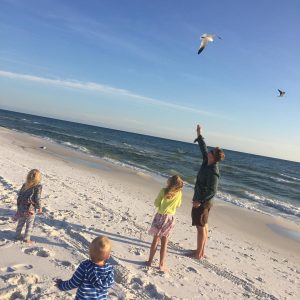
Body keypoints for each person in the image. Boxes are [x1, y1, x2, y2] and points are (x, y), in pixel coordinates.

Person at [190, 124, 225, 259]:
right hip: (201, 199)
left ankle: (198, 253)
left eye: (211, 151)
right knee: (203, 225)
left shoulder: (213, 171)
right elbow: (203, 148)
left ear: (213, 156)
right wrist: (199, 134)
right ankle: (200, 250)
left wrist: (200, 201)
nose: (208, 151)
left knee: (200, 226)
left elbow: (212, 190)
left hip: (203, 201)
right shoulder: (207, 161)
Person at [147, 175, 183, 272]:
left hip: (160, 216)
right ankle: (161, 264)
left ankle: (149, 261)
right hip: (170, 218)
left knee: (155, 240)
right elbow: (178, 205)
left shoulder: (163, 191)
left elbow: (156, 203)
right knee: (164, 242)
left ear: (169, 182)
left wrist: (162, 204)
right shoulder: (179, 193)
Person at [15, 169, 43, 244]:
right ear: (39, 177)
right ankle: (26, 239)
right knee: (29, 224)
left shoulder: (25, 184)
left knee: (21, 221)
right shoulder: (38, 186)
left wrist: (18, 206)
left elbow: (20, 195)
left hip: (22, 206)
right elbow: (37, 198)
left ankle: (17, 235)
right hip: (31, 208)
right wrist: (39, 207)